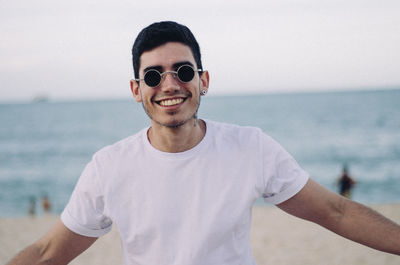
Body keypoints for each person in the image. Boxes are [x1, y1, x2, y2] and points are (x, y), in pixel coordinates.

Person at [7, 21, 400, 265]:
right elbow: (47, 253)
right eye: (153, 76)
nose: (170, 85)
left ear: (203, 80)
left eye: (182, 70)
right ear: (135, 89)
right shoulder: (108, 167)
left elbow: (336, 212)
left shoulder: (250, 148)